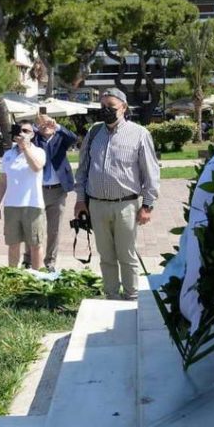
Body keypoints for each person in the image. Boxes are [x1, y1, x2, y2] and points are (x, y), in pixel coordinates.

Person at [74, 88, 160, 300]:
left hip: (126, 205)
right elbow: (83, 168)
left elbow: (151, 171)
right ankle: (111, 296)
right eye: (102, 107)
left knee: (127, 255)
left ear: (123, 107)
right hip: (97, 205)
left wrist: (148, 205)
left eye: (110, 107)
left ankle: (131, 297)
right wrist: (80, 200)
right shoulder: (94, 132)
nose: (106, 111)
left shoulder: (139, 134)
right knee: (106, 256)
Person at [0, 121, 47, 268]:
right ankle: (13, 276)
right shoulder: (8, 155)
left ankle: (37, 277)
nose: (22, 133)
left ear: (33, 134)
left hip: (33, 205)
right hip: (11, 205)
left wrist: (25, 148)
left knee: (35, 244)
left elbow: (36, 167)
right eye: (19, 130)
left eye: (26, 131)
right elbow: (3, 181)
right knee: (13, 244)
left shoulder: (39, 152)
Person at [30, 114, 78, 272]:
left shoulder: (60, 137)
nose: (46, 125)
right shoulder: (34, 140)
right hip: (38, 190)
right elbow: (23, 139)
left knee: (54, 229)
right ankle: (30, 259)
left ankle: (50, 262)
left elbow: (74, 138)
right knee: (34, 227)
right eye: (42, 124)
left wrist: (56, 126)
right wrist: (35, 130)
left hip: (58, 190)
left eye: (48, 123)